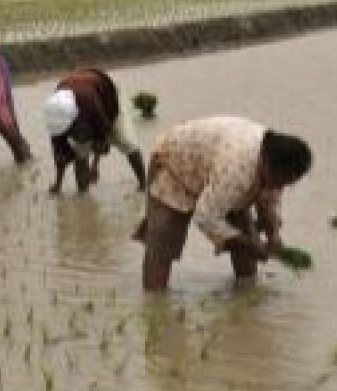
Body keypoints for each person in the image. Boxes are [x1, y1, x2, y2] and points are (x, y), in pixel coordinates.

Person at [133, 116, 311, 291]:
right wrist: (248, 244)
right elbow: (205, 217)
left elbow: (270, 200)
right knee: (163, 244)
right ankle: (154, 304)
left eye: (289, 183)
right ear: (268, 165)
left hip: (214, 166)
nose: (282, 187)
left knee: (246, 246)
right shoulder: (236, 171)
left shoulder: (273, 160)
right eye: (282, 181)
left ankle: (246, 300)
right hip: (175, 165)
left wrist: (274, 236)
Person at [43, 69, 145, 194]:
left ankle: (144, 185)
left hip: (108, 93)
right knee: (81, 152)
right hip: (84, 91)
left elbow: (103, 137)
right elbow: (59, 155)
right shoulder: (54, 114)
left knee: (126, 141)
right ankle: (83, 192)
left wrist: (95, 165)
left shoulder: (91, 105)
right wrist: (58, 185)